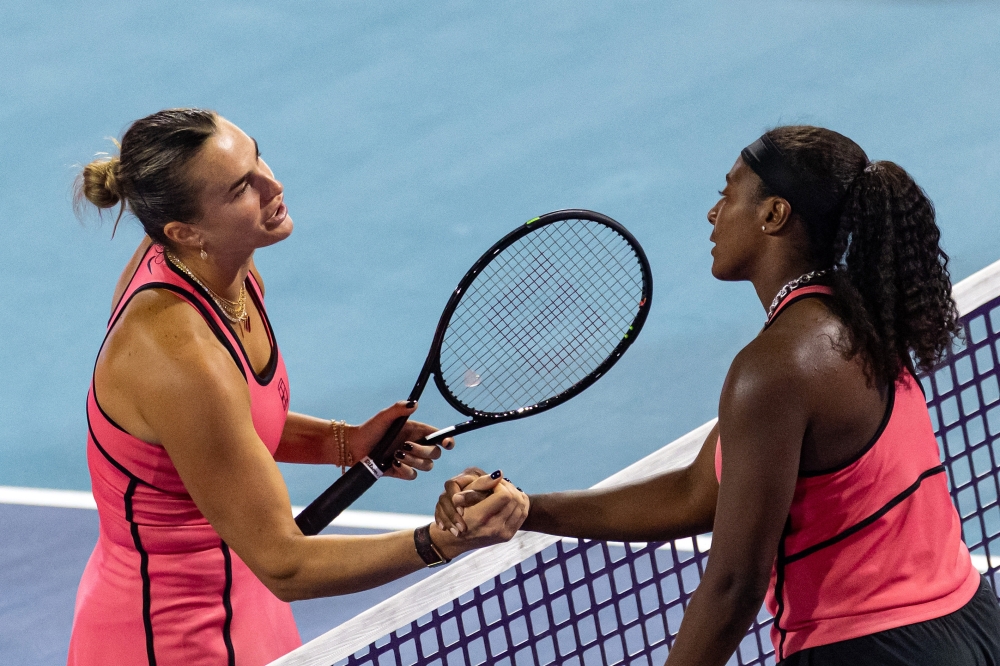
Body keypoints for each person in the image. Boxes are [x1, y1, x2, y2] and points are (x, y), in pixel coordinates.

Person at [437, 126, 1000, 665]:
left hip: (871, 650)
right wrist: (528, 508)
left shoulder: (777, 368)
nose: (713, 213)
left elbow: (734, 585)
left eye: (727, 195)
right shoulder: (857, 318)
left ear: (774, 214)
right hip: (972, 622)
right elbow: (698, 493)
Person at [68, 108, 528, 666]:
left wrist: (344, 442)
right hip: (176, 634)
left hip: (246, 598)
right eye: (241, 188)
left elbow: (222, 430)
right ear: (185, 231)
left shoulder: (220, 269)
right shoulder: (179, 355)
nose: (273, 185)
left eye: (257, 158)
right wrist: (444, 540)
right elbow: (286, 566)